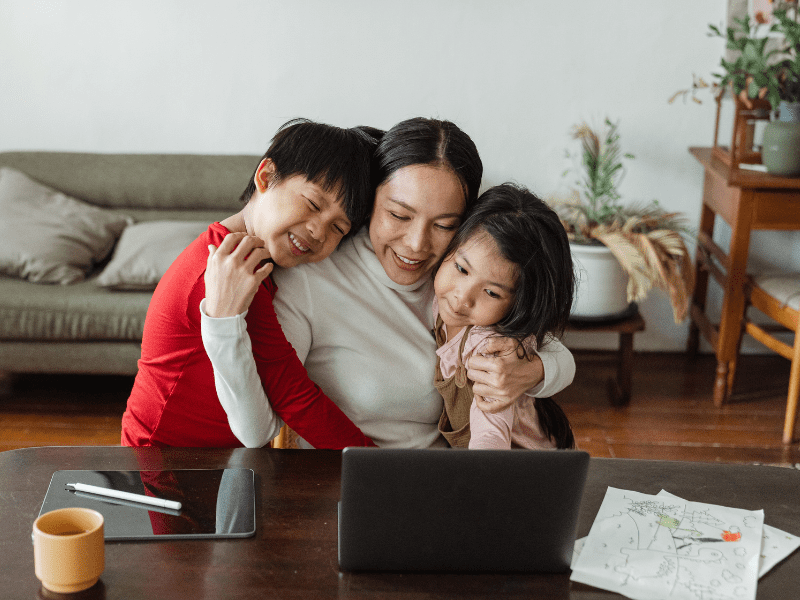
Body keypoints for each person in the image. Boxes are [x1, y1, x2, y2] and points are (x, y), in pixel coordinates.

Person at [201, 117, 576, 448]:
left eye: (444, 225)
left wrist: (533, 371)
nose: (416, 245)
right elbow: (257, 428)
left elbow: (550, 346)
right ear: (370, 201)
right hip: (350, 491)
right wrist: (221, 324)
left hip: (447, 485)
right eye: (398, 215)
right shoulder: (310, 279)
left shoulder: (457, 278)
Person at [121, 119, 378, 448]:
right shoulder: (230, 270)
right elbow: (293, 399)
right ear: (266, 176)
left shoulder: (254, 259)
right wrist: (379, 470)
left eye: (338, 228)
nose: (318, 231)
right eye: (313, 205)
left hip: (207, 461)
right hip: (163, 464)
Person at [432, 183, 576, 449]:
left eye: (491, 292)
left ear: (519, 304)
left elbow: (491, 436)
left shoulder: (489, 347)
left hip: (530, 469)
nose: (462, 297)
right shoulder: (439, 305)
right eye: (462, 269)